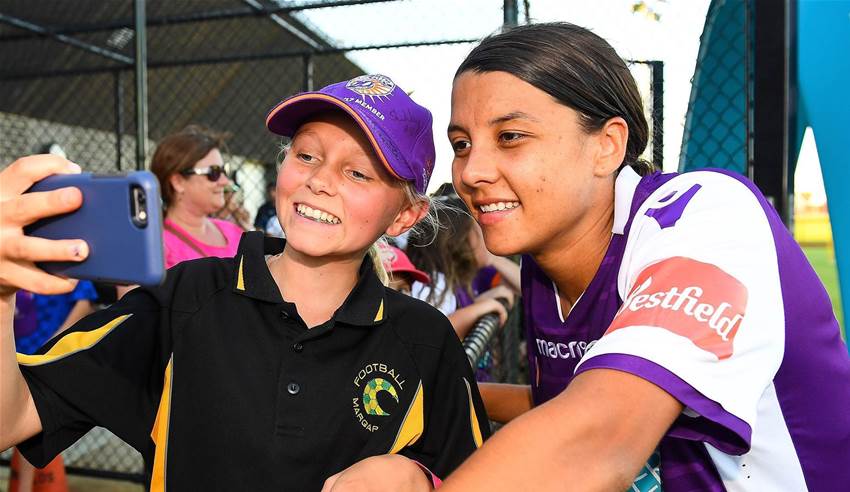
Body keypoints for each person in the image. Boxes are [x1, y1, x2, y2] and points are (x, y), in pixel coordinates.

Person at [0, 74, 490, 491]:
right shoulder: (183, 300)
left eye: (357, 173)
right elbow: (13, 418)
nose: (320, 181)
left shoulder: (424, 340)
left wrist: (419, 478)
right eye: (306, 155)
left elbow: (477, 475)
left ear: (405, 215)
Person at [150, 125, 244, 268]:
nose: (225, 181)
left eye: (224, 170)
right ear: (178, 182)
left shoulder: (235, 233)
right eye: (214, 173)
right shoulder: (155, 246)